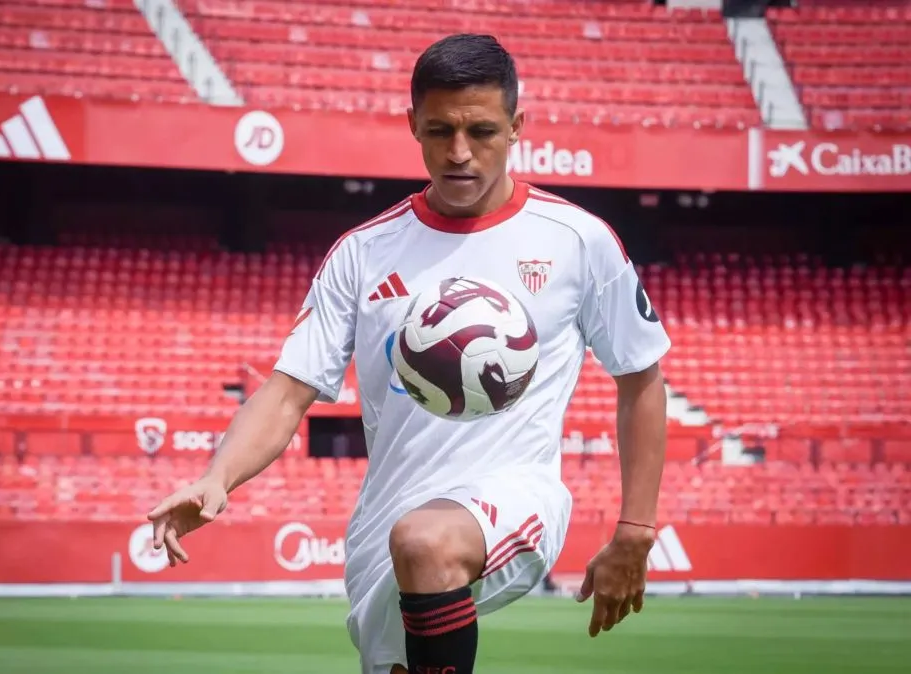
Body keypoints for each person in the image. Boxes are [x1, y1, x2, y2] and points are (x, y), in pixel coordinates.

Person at [147, 33, 670, 674]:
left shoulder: (578, 241)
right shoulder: (362, 254)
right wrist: (216, 478)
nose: (459, 153)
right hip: (385, 522)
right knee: (409, 575)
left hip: (518, 493)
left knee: (426, 542)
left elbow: (640, 377)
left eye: (481, 130)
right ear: (412, 127)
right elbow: (287, 391)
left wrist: (635, 532)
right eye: (439, 130)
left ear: (517, 128)